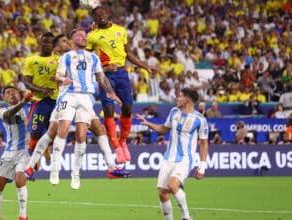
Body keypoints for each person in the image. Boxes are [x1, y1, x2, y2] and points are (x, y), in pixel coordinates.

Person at [25, 34, 131, 186]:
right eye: (63, 41)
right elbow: (51, 73)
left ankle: (111, 167)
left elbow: (86, 68)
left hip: (82, 98)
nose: (67, 42)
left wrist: (105, 70)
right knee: (53, 132)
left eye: (68, 40)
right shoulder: (57, 60)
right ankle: (32, 166)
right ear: (57, 48)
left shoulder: (79, 57)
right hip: (64, 98)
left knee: (99, 129)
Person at [53, 28, 122, 190]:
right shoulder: (66, 57)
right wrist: (63, 79)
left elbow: (101, 77)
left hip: (86, 98)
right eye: (79, 35)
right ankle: (55, 169)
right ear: (71, 40)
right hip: (69, 96)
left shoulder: (93, 57)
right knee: (61, 131)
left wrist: (112, 94)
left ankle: (108, 168)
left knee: (94, 131)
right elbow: (59, 75)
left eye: (85, 36)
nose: (84, 38)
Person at [87, 6, 156, 164]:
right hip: (105, 76)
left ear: (108, 14)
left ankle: (123, 141)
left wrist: (145, 66)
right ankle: (117, 147)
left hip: (122, 74)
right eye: (97, 15)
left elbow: (128, 53)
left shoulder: (121, 30)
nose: (101, 16)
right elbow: (87, 59)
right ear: (94, 19)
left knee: (127, 108)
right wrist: (103, 68)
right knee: (109, 110)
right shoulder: (92, 36)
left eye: (102, 13)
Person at [135, 88, 209, 220]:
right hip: (168, 158)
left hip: (185, 159)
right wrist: (148, 124)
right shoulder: (174, 112)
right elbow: (164, 128)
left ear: (186, 100)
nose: (176, 99)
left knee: (172, 185)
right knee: (163, 193)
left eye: (179, 96)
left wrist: (202, 166)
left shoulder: (200, 119)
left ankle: (186, 216)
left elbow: (204, 143)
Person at [0, 86, 32, 220]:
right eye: (7, 93)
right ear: (4, 98)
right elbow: (9, 116)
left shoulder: (31, 108)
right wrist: (23, 102)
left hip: (26, 151)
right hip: (9, 152)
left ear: (19, 94)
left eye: (13, 92)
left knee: (19, 180)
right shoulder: (3, 111)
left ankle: (23, 216)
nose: (11, 94)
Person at [23, 32, 58, 163]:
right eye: (46, 42)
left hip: (56, 101)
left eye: (51, 42)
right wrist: (42, 90)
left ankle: (46, 149)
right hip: (39, 101)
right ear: (40, 43)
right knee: (35, 133)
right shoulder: (31, 60)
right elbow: (27, 83)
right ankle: (33, 159)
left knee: (54, 133)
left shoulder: (59, 60)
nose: (48, 45)